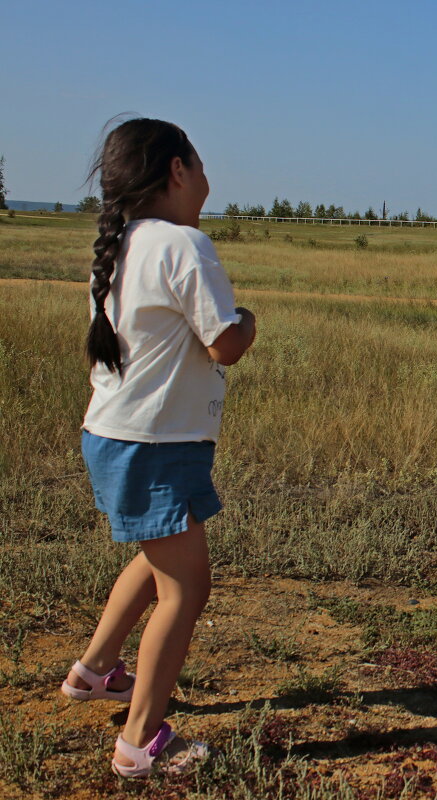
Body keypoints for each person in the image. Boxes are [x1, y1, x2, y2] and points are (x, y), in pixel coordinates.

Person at [60, 118, 256, 778]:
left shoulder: (124, 245)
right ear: (177, 171)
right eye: (199, 167)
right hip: (157, 445)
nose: (206, 181)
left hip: (118, 435)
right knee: (186, 589)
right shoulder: (183, 244)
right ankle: (140, 743)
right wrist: (250, 321)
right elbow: (223, 342)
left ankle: (94, 671)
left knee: (161, 554)